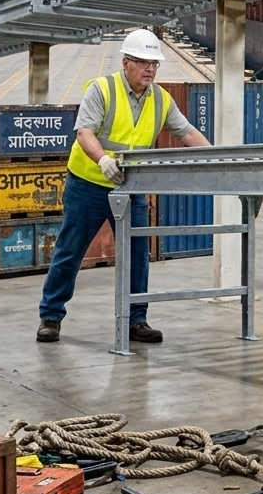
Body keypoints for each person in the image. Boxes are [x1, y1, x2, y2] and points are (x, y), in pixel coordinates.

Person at [36, 29, 210, 344]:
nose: (150, 69)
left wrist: (216, 159)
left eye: (154, 64)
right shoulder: (102, 89)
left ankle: (136, 319)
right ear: (125, 62)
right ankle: (50, 316)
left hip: (130, 188)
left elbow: (186, 133)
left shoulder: (161, 99)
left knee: (137, 255)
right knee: (70, 250)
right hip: (87, 184)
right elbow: (84, 132)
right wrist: (103, 160)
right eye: (143, 62)